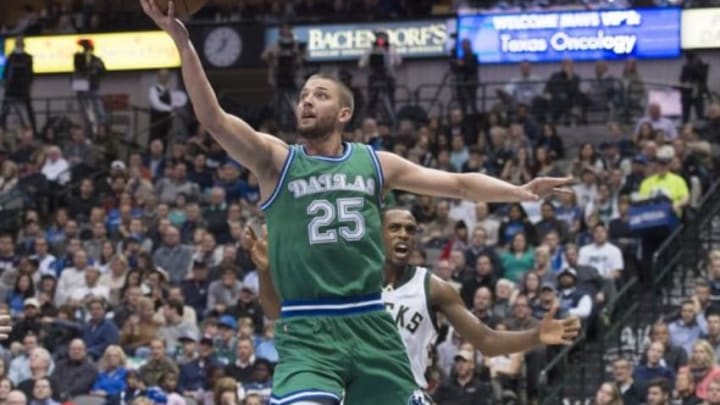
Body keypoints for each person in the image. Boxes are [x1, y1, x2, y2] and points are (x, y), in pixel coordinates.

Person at [140, 1, 572, 402]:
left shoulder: (374, 163)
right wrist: (181, 39)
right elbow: (212, 118)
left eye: (320, 95)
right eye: (304, 94)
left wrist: (520, 191)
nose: (307, 100)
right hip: (307, 327)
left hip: (370, 323)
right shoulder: (275, 161)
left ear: (343, 114)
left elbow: (458, 184)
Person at [250, 209, 581, 390]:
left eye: (410, 229)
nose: (404, 235)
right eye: (395, 228)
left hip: (404, 393)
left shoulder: (433, 287)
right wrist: (265, 272)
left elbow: (488, 341)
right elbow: (278, 311)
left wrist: (536, 335)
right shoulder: (346, 279)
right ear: (376, 235)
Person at [0, 37, 36, 135]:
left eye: (21, 43)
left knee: (29, 110)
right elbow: (6, 72)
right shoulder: (11, 57)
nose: (19, 45)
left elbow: (30, 74)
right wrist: (6, 83)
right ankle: (2, 128)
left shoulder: (28, 57)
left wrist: (28, 85)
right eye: (18, 43)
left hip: (23, 88)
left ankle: (34, 130)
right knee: (5, 109)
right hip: (11, 88)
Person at [72, 38, 106, 134]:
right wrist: (90, 68)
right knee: (84, 110)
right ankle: (87, 129)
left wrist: (96, 69)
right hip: (82, 87)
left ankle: (101, 127)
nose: (86, 50)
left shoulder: (96, 60)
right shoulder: (78, 57)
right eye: (84, 48)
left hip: (93, 86)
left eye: (88, 48)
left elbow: (103, 71)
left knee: (98, 107)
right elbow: (79, 67)